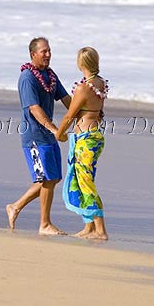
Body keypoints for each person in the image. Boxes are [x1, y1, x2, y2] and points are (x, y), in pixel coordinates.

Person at [6, 37, 71, 235]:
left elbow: (67, 99)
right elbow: (34, 109)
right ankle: (44, 224)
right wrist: (54, 129)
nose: (48, 54)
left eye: (49, 50)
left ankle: (15, 207)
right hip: (34, 136)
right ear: (33, 54)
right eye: (44, 51)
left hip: (48, 135)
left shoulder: (50, 75)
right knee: (46, 179)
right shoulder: (27, 77)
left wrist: (86, 114)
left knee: (53, 178)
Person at [55, 47, 109, 240]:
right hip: (93, 136)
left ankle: (100, 230)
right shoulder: (100, 84)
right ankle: (88, 227)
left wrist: (59, 133)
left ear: (81, 64)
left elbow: (70, 114)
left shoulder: (83, 88)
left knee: (85, 181)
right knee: (83, 180)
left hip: (85, 138)